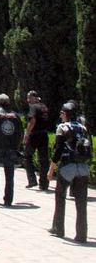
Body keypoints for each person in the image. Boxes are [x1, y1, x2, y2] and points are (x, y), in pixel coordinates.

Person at [48, 101, 92, 243]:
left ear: (65, 113)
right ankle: (81, 234)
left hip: (67, 167)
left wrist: (51, 169)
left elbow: (58, 150)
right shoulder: (83, 128)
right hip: (83, 168)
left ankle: (58, 228)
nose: (60, 115)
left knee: (60, 197)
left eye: (61, 113)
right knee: (81, 203)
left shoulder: (62, 127)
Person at [23, 90, 50, 190]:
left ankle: (32, 180)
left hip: (34, 136)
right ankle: (44, 184)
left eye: (29, 97)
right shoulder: (44, 107)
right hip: (44, 135)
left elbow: (32, 121)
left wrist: (27, 134)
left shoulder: (33, 107)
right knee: (43, 160)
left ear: (34, 98)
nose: (28, 100)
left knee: (27, 156)